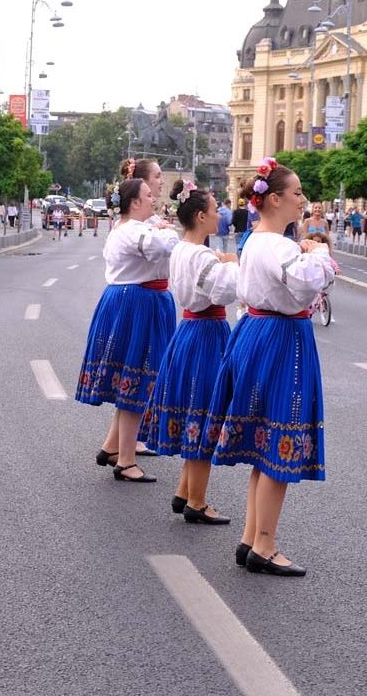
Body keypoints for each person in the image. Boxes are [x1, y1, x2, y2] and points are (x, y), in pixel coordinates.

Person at [203, 156, 334, 577]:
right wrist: (323, 251)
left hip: (256, 334)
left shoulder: (254, 240)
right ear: (274, 199)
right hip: (282, 339)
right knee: (279, 438)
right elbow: (309, 281)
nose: (303, 201)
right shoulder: (280, 245)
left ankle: (250, 537)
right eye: (297, 193)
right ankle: (264, 544)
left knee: (263, 442)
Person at [140, 180, 239, 524]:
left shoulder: (183, 249)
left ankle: (185, 490)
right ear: (200, 216)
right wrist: (234, 262)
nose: (219, 216)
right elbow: (226, 290)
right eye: (214, 211)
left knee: (196, 410)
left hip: (190, 331)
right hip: (207, 333)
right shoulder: (200, 255)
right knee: (204, 412)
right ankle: (196, 500)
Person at [77, 173, 179, 484]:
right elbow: (163, 247)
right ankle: (125, 460)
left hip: (136, 301)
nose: (153, 199)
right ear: (134, 203)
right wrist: (169, 230)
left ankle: (112, 448)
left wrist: (161, 227)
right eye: (148, 195)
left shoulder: (131, 227)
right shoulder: (134, 230)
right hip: (137, 303)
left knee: (130, 380)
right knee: (137, 379)